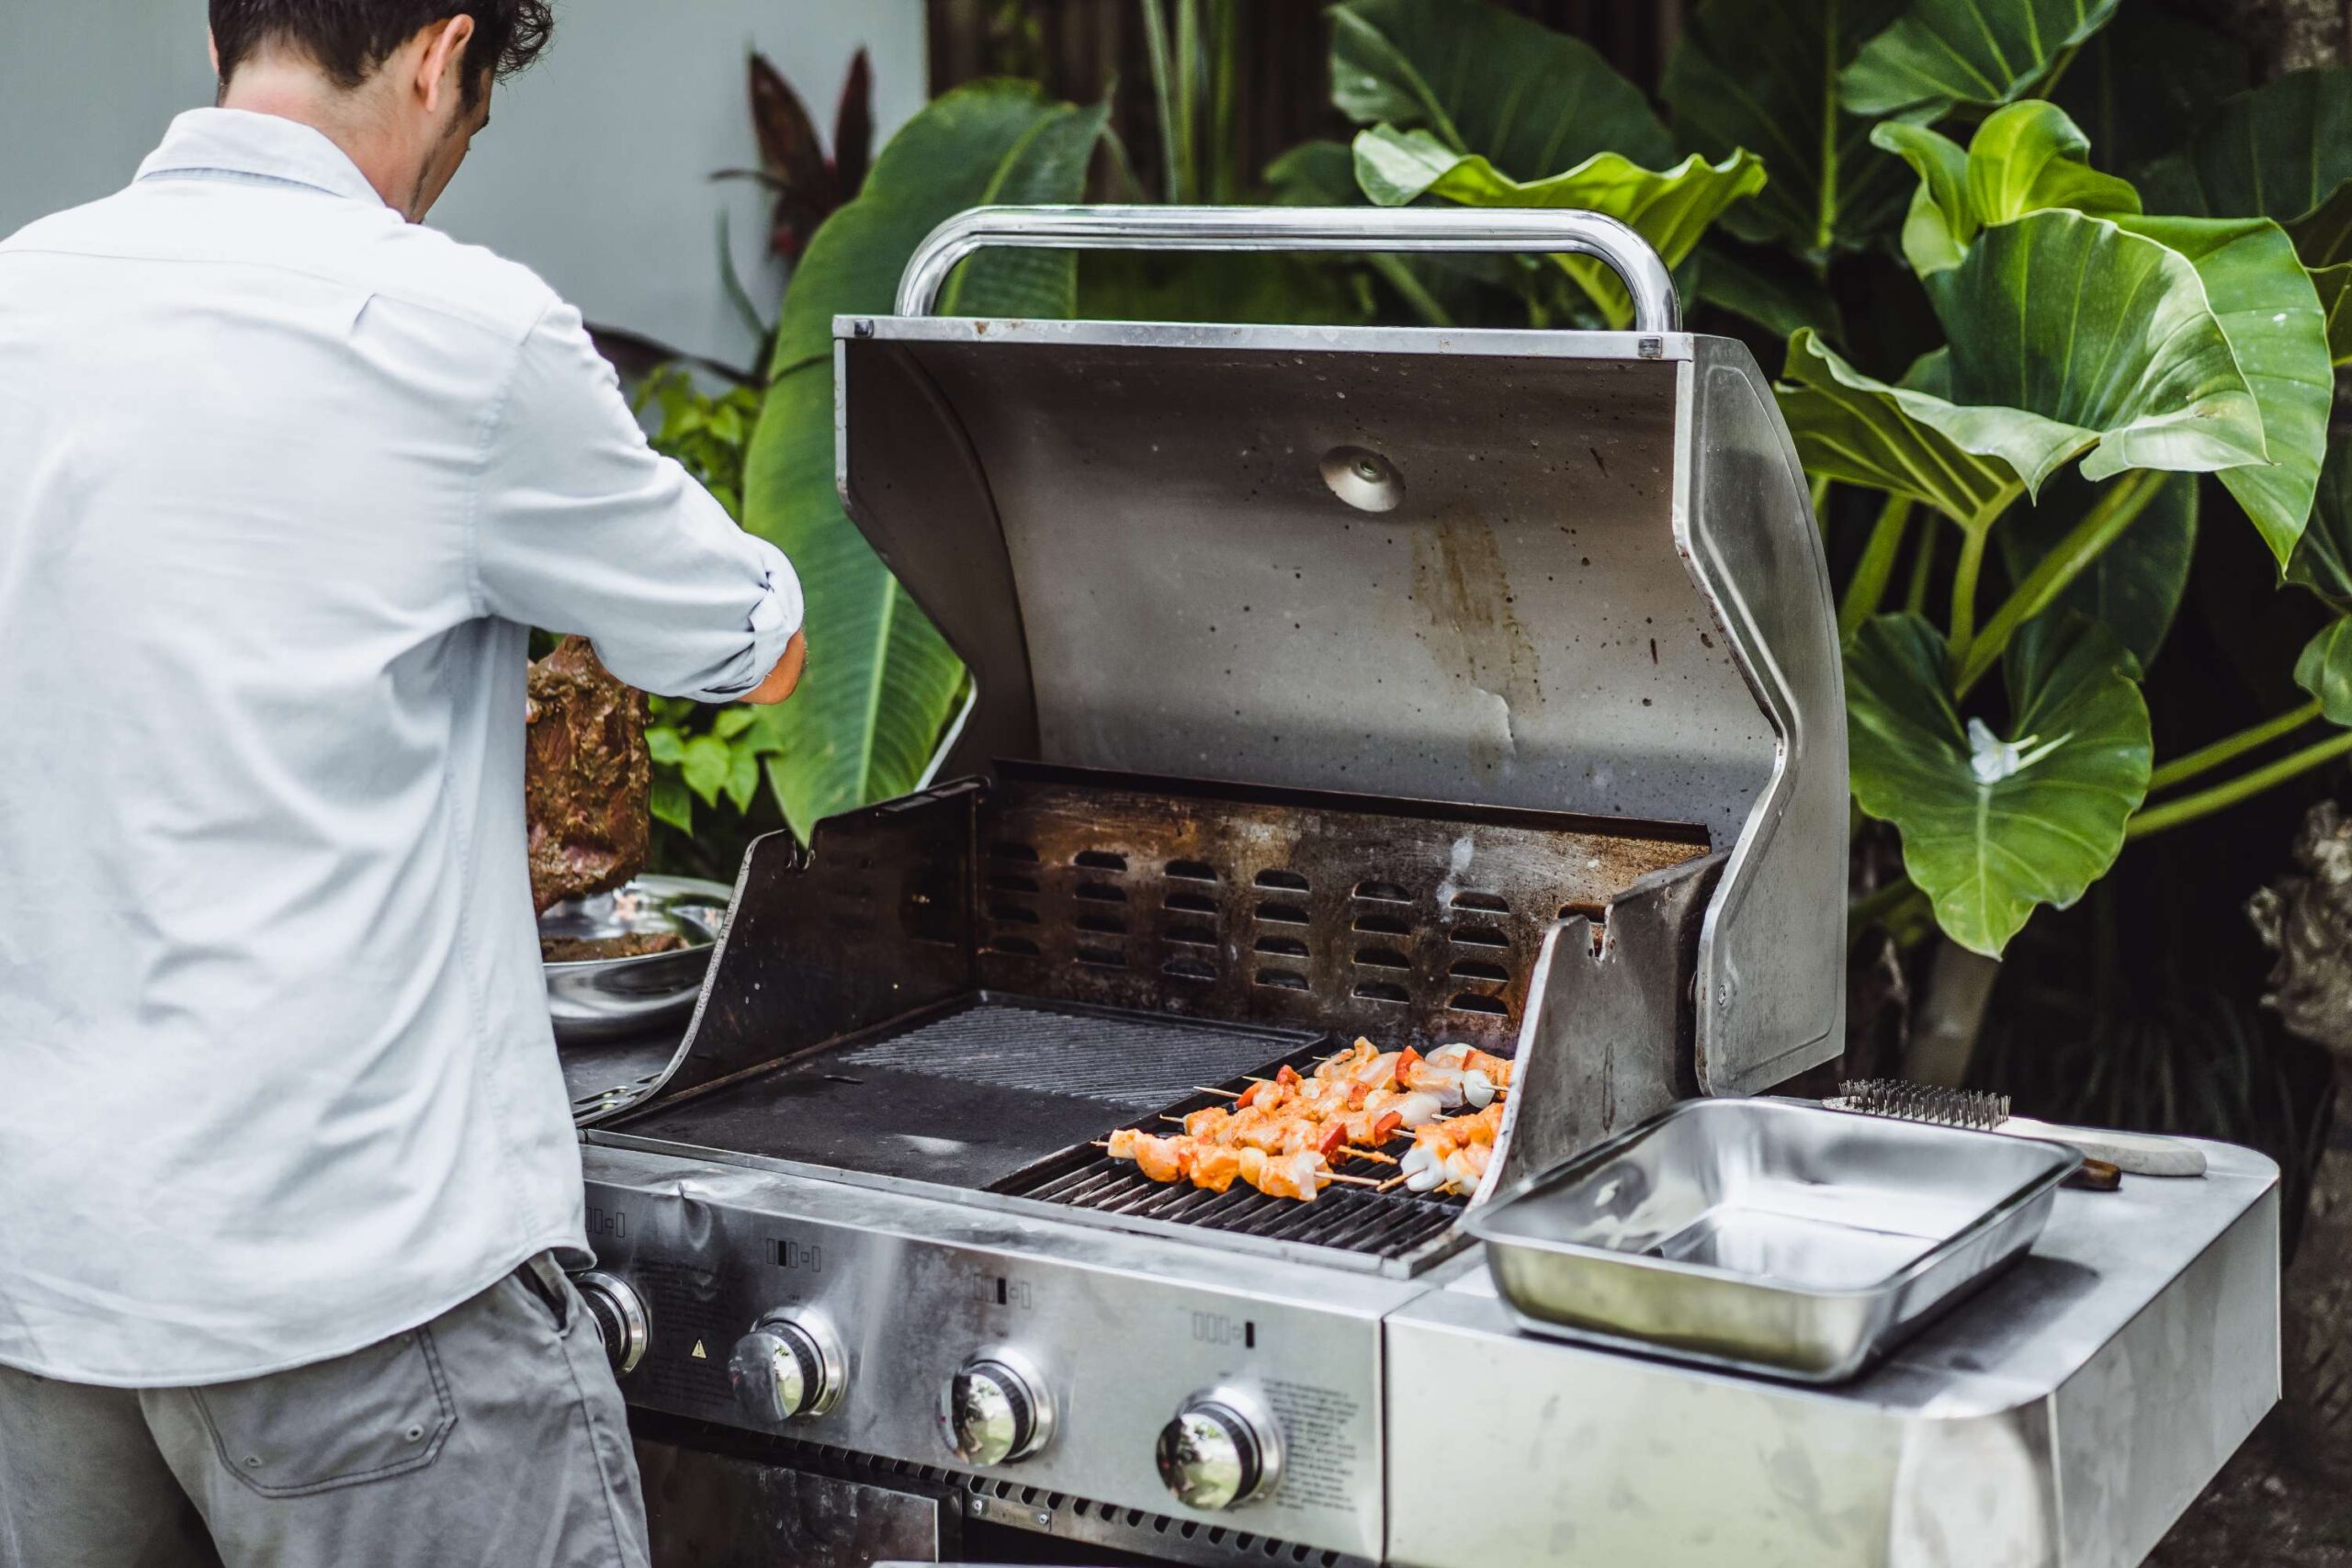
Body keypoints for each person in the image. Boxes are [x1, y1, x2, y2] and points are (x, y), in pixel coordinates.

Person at [0, 5, 807, 1564]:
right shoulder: (457, 330)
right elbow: (749, 646)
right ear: (443, 55)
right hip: (361, 1305)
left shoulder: (16, 299)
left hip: (48, 1297)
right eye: (473, 114)